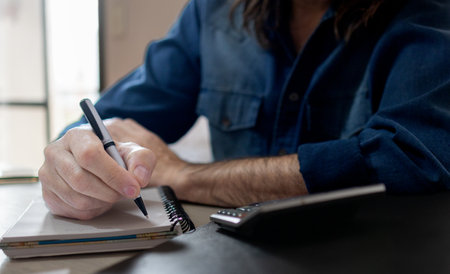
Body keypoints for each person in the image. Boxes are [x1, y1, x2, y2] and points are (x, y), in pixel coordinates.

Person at [38, 0, 450, 220]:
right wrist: (76, 159)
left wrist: (185, 177)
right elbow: (105, 122)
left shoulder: (426, 13)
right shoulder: (213, 11)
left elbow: (412, 159)